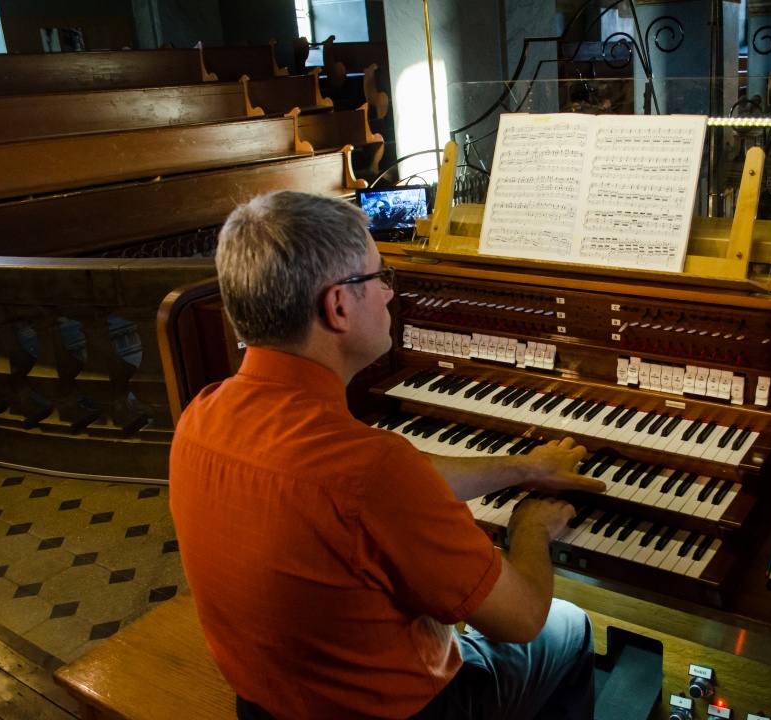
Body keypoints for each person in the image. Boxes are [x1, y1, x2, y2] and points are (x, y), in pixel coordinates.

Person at [169, 190, 607, 720]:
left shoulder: (200, 417)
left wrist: (523, 466)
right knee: (569, 625)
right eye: (379, 276)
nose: (389, 294)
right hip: (406, 713)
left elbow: (370, 492)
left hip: (266, 703)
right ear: (337, 306)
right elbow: (523, 619)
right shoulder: (372, 469)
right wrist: (530, 528)